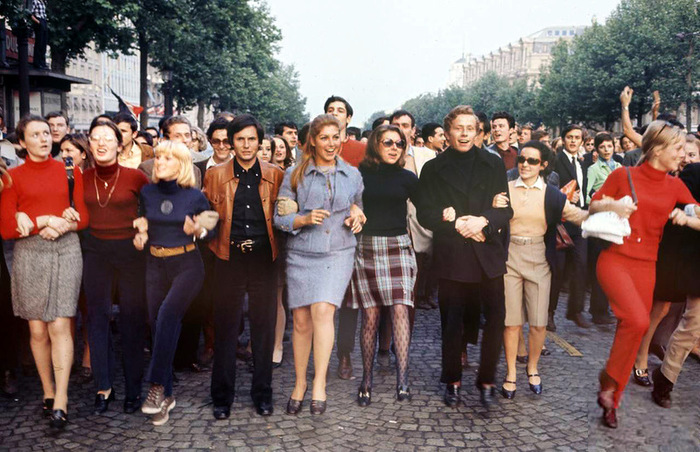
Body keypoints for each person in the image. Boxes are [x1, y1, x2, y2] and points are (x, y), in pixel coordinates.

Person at [591, 120, 699, 429]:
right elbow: (593, 205)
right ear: (657, 149)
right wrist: (615, 205)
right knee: (638, 321)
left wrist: (687, 218)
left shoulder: (675, 185)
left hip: (647, 266)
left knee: (631, 329)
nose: (683, 155)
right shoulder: (623, 175)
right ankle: (610, 383)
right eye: (677, 148)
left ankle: (612, 398)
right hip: (615, 260)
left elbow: (698, 213)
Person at [416, 105, 512, 408]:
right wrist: (456, 223)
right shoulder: (433, 169)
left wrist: (483, 221)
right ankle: (452, 380)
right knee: (452, 320)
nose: (465, 134)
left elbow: (505, 209)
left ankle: (487, 380)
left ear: (478, 132)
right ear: (447, 132)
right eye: (459, 128)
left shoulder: (493, 163)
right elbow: (424, 213)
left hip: (487, 250)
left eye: (470, 128)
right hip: (453, 254)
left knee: (495, 318)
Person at [0, 115, 89, 429]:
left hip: (66, 249)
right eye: (35, 134)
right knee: (38, 329)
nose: (43, 138)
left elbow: (83, 217)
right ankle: (48, 391)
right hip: (30, 254)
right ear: (22, 142)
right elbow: (7, 228)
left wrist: (63, 224)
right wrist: (44, 220)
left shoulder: (69, 171)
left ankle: (61, 399)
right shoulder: (12, 177)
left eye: (46, 133)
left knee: (60, 324)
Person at [274, 114, 364, 415]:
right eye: (324, 138)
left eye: (335, 137)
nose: (331, 143)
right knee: (301, 321)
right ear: (312, 140)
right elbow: (280, 219)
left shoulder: (353, 175)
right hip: (302, 253)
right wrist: (303, 219)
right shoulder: (294, 174)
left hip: (338, 252)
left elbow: (358, 207)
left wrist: (357, 216)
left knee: (323, 312)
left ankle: (319, 383)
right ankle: (299, 382)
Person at [496, 141, 589, 399]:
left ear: (543, 165)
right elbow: (491, 217)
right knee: (511, 322)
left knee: (538, 323)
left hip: (539, 256)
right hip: (509, 257)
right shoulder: (505, 190)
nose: (525, 165)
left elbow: (578, 215)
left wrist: (607, 210)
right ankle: (511, 373)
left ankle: (533, 368)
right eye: (522, 159)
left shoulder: (552, 195)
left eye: (532, 161)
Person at [205, 114, 284, 420]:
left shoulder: (275, 175)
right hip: (229, 258)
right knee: (226, 329)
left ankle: (262, 394)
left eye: (252, 139)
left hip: (264, 259)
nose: (247, 145)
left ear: (260, 142)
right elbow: (208, 217)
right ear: (231, 142)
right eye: (240, 139)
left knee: (263, 330)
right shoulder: (215, 175)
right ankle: (221, 397)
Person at [136, 140, 214, 426]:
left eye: (168, 158)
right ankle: (166, 396)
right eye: (158, 157)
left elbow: (212, 227)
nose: (159, 162)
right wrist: (141, 235)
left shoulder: (194, 196)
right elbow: (142, 222)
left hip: (187, 265)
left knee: (168, 315)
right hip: (155, 264)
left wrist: (198, 229)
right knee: (157, 325)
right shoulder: (147, 192)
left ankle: (156, 385)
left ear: (181, 164)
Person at [81, 119, 149, 415]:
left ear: (119, 145)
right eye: (95, 138)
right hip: (96, 252)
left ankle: (134, 388)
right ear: (89, 143)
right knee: (97, 319)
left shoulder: (136, 177)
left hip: (130, 253)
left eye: (108, 138)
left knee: (132, 319)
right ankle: (104, 386)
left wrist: (145, 226)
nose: (101, 143)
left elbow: (151, 209)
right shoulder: (82, 177)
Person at [350, 125, 417, 406]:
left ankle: (403, 379)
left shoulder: (408, 177)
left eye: (399, 144)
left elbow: (429, 206)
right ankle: (366, 380)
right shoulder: (359, 175)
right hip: (367, 248)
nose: (394, 148)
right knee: (370, 317)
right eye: (387, 142)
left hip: (399, 248)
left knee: (401, 309)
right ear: (375, 144)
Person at [631, 133, 700, 387]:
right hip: (670, 247)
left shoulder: (686, 175)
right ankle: (640, 357)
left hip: (688, 249)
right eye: (683, 152)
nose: (686, 158)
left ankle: (658, 347)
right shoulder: (680, 176)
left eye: (692, 154)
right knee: (659, 307)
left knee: (673, 310)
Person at [651, 160, 700, 408]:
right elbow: (679, 212)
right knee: (692, 326)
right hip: (696, 262)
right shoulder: (695, 173)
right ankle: (665, 378)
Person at [550, 124, 591, 330]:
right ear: (563, 139)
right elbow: (549, 187)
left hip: (579, 221)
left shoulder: (582, 163)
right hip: (561, 222)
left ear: (582, 141)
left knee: (581, 265)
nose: (573, 141)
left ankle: (576, 311)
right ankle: (549, 312)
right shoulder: (556, 161)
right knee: (557, 270)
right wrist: (564, 196)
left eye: (577, 138)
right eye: (570, 137)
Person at [30, 0, 49, 70]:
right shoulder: (35, 1)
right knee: (39, 43)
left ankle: (42, 63)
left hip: (43, 21)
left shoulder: (43, 2)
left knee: (44, 43)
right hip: (39, 21)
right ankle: (37, 63)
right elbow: (31, 14)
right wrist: (38, 22)